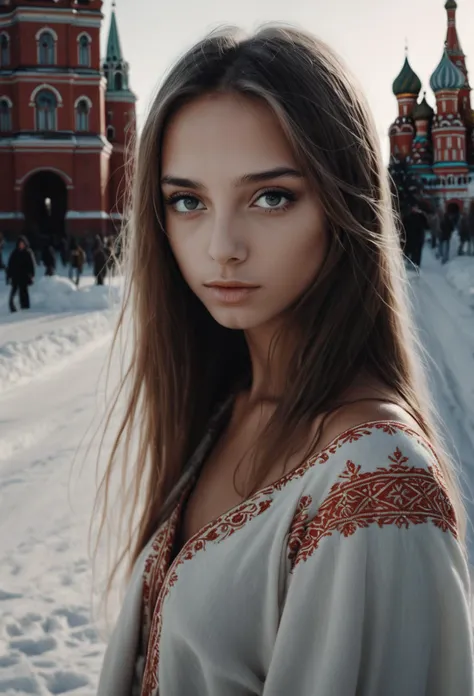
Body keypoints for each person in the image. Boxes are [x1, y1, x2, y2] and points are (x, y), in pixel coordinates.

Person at [95, 27, 473, 696]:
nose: (222, 247)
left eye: (271, 197)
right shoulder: (225, 407)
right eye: (188, 201)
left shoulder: (377, 480)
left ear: (343, 203)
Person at [6, 235, 35, 312]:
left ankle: (25, 307)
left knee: (24, 292)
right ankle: (12, 307)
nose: (21, 245)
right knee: (13, 293)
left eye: (22, 244)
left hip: (24, 277)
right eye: (20, 244)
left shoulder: (28, 253)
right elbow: (10, 265)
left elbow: (32, 265)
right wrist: (8, 276)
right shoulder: (14, 253)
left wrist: (32, 275)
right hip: (15, 276)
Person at [402, 203, 428, 269]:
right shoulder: (408, 217)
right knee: (411, 252)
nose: (415, 209)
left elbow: (426, 225)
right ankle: (412, 264)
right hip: (410, 238)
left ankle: (417, 265)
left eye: (416, 208)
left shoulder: (421, 216)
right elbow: (404, 226)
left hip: (419, 238)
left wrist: (423, 214)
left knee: (418, 252)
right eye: (413, 208)